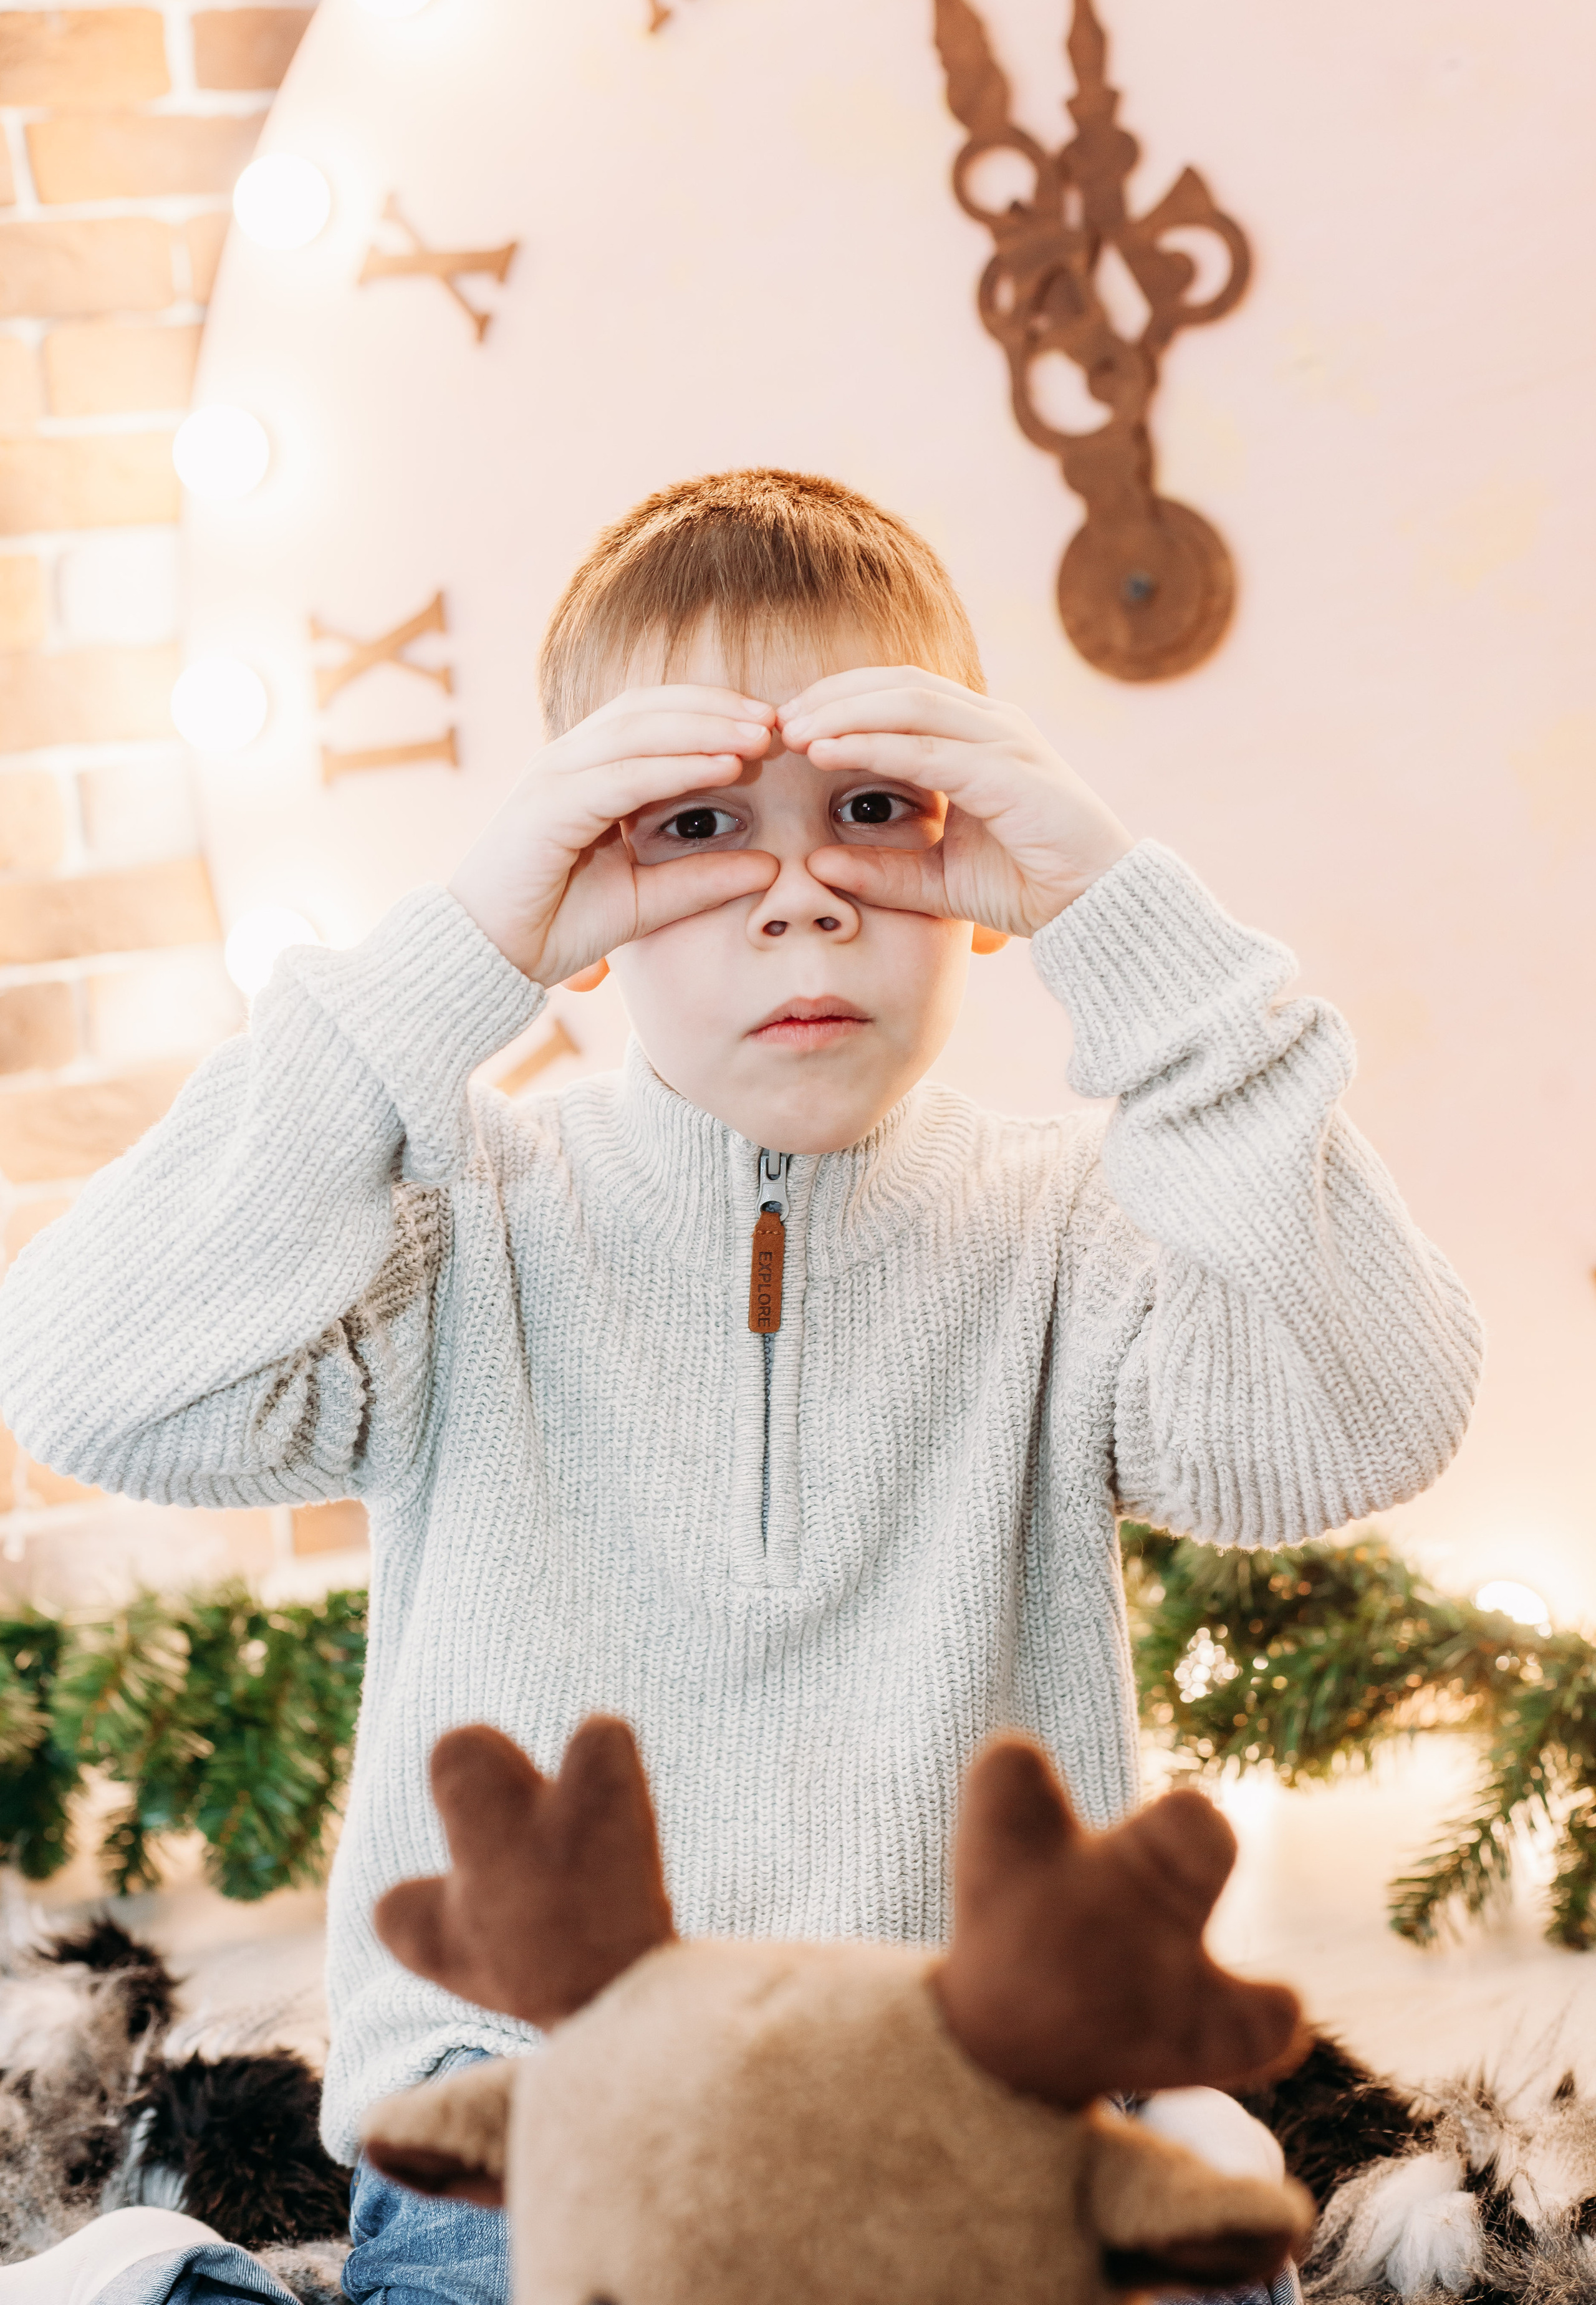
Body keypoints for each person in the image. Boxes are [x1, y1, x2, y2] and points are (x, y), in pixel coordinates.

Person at [0, 469, 1481, 2305]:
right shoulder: (458, 1224)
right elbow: (78, 1374)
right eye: (694, 826)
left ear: (975, 867)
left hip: (979, 2101)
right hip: (538, 2113)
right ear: (588, 892)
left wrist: (1119, 914)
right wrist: (458, 950)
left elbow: (1375, 1411)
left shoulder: (1068, 1234)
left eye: (875, 814)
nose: (802, 897)